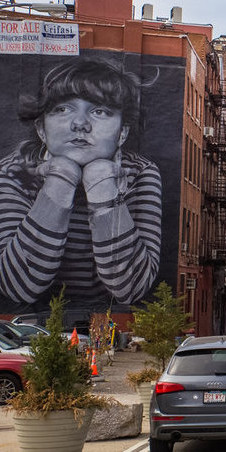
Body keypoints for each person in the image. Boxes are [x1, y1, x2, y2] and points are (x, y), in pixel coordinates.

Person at [0, 57, 162, 308]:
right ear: (41, 129)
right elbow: (18, 286)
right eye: (63, 109)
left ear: (122, 133)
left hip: (107, 326)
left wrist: (102, 185)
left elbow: (131, 288)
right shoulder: (13, 173)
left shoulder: (141, 173)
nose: (80, 124)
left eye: (99, 111)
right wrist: (60, 180)